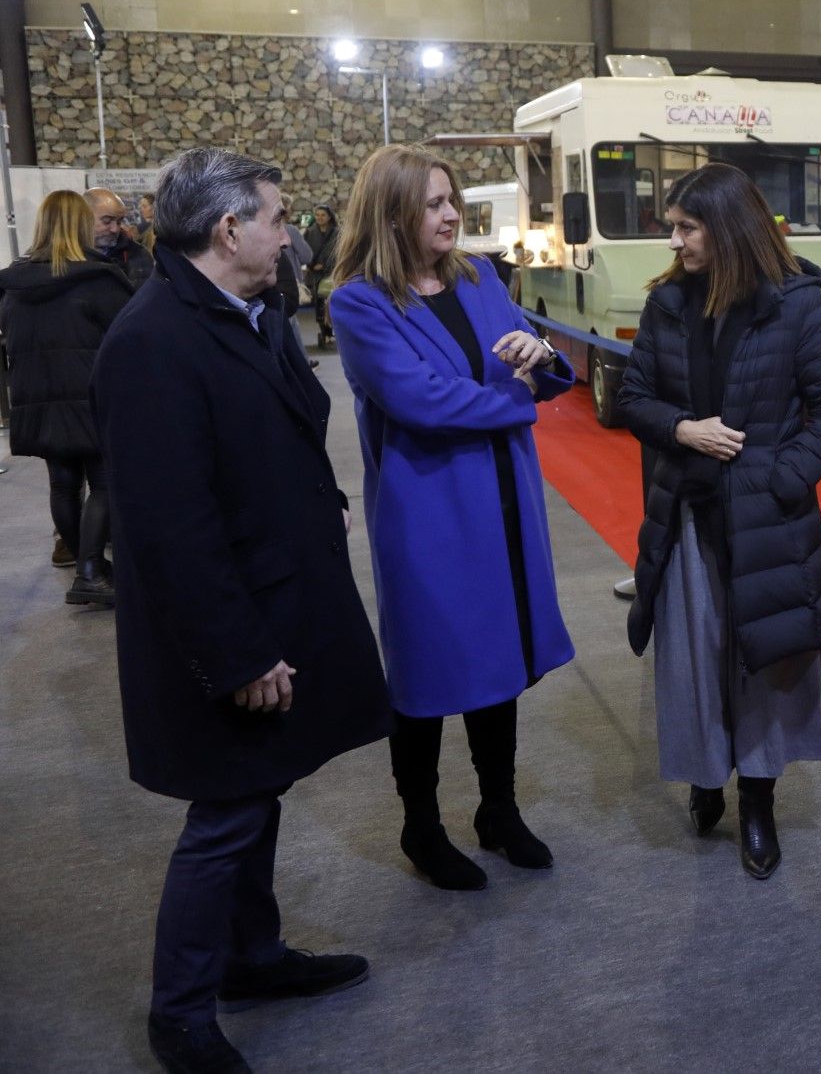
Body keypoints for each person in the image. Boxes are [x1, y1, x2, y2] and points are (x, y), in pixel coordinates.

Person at [93, 149, 392, 1074]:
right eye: (277, 216)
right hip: (227, 627)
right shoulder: (151, 341)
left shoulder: (244, 311)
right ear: (228, 229)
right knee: (226, 810)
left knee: (259, 790)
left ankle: (252, 958)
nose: (290, 231)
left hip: (276, 596)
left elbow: (284, 425)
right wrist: (237, 654)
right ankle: (180, 1012)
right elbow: (169, 528)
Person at [328, 145, 576, 892]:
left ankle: (497, 810)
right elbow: (420, 401)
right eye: (433, 203)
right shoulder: (360, 301)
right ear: (393, 212)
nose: (449, 215)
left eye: (451, 201)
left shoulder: (480, 277)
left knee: (498, 659)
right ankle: (422, 825)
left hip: (502, 495)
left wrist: (540, 354)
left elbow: (533, 360)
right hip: (429, 511)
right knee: (429, 672)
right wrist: (519, 396)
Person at [617, 163, 821, 879]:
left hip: (766, 523)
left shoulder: (795, 304)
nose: (676, 239)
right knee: (694, 656)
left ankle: (758, 800)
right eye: (675, 226)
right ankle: (704, 772)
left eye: (687, 227)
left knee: (763, 662)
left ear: (726, 229)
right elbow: (632, 397)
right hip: (686, 515)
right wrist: (684, 430)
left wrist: (781, 479)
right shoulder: (667, 304)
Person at [0, 190, 134, 606]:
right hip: (90, 397)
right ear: (80, 225)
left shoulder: (11, 284)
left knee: (63, 483)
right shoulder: (99, 280)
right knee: (108, 484)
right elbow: (131, 336)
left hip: (34, 399)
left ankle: (85, 564)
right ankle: (91, 571)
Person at [87, 186, 155, 285]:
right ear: (85, 218)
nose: (115, 229)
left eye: (119, 222)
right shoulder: (63, 256)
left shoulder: (139, 255)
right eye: (107, 221)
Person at [301, 205, 338, 349]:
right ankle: (325, 333)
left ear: (329, 216)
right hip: (315, 275)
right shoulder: (309, 233)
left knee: (332, 304)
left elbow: (340, 252)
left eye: (322, 215)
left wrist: (325, 265)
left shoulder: (337, 233)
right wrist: (311, 265)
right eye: (317, 215)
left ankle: (332, 332)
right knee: (319, 306)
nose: (319, 218)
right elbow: (304, 251)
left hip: (332, 274)